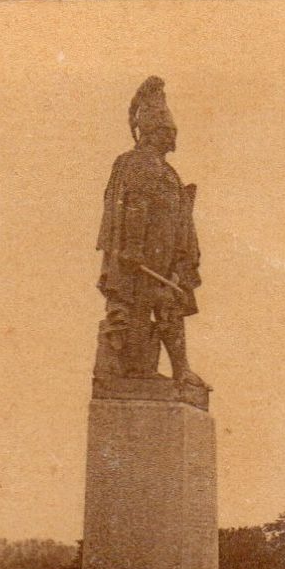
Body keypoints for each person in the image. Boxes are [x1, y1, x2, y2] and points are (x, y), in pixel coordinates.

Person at [93, 76, 206, 388]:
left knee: (169, 304)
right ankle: (138, 369)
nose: (174, 139)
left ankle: (178, 369)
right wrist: (131, 247)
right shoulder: (142, 162)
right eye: (170, 132)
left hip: (166, 254)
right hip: (145, 255)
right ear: (155, 132)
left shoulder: (165, 168)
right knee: (146, 305)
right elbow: (136, 206)